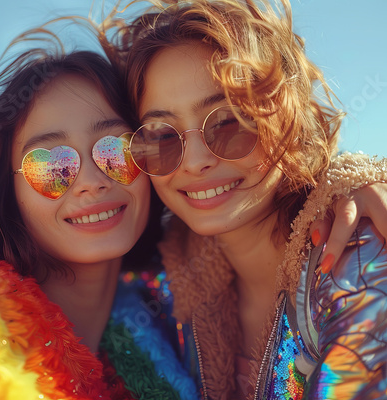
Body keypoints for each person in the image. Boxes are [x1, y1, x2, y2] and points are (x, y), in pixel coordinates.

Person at [0, 32, 198, 399]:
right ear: (8, 191)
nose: (91, 182)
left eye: (116, 150)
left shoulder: (176, 332)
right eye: (52, 165)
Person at [100, 0, 387, 398]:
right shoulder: (165, 293)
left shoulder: (358, 255)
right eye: (162, 137)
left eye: (228, 121)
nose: (196, 161)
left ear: (286, 114)